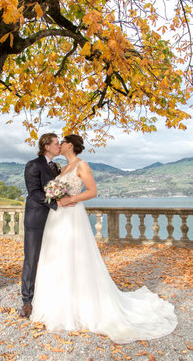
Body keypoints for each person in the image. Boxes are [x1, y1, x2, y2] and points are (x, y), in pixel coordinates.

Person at [30, 134, 177, 344]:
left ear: (69, 145)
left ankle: (83, 306)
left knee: (75, 255)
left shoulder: (82, 165)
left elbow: (92, 191)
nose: (59, 145)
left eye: (61, 142)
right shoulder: (62, 168)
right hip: (57, 217)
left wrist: (70, 198)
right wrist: (56, 198)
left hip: (72, 215)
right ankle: (60, 304)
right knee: (57, 256)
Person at [19, 133, 61, 318]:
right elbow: (33, 192)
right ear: (47, 146)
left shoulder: (56, 167)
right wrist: (55, 204)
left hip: (54, 221)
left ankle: (49, 295)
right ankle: (27, 301)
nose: (59, 146)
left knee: (52, 258)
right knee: (31, 259)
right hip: (36, 220)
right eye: (57, 143)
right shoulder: (33, 165)